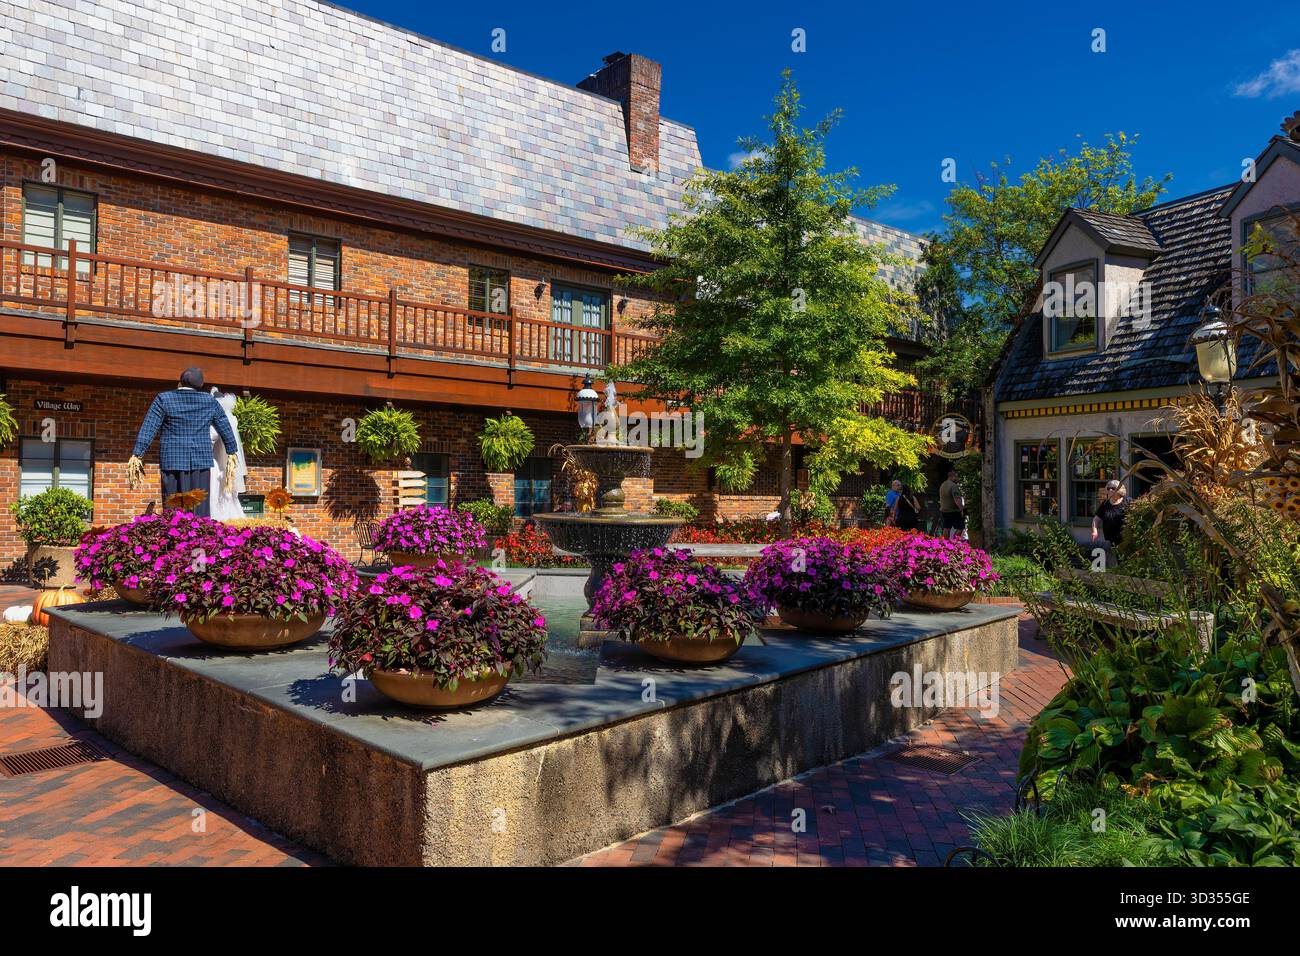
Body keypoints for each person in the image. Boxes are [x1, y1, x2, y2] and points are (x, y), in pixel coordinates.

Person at [129, 367, 240, 518]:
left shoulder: (163, 399)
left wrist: (138, 454)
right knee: (199, 508)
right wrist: (231, 451)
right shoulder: (209, 401)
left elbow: (149, 426)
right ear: (200, 384)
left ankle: (174, 537)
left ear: (180, 382)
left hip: (172, 460)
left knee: (173, 508)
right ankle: (198, 537)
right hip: (200, 461)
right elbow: (224, 426)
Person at [208, 388, 248, 521]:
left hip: (216, 460)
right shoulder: (232, 418)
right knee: (228, 492)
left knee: (215, 488)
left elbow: (212, 436)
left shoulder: (215, 419)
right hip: (228, 462)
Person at [1092, 479, 1130, 565]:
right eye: (1108, 488)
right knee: (1118, 560)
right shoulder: (1105, 504)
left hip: (1125, 538)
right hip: (1111, 539)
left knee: (1127, 560)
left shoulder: (1128, 501)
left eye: (1113, 488)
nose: (1110, 490)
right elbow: (1096, 519)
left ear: (1119, 490)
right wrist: (1095, 531)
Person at [938, 468, 965, 540]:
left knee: (946, 527)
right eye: (957, 476)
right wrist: (962, 509)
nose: (957, 478)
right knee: (960, 527)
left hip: (944, 510)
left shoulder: (942, 485)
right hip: (953, 510)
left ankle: (946, 543)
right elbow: (957, 500)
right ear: (953, 476)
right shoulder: (954, 486)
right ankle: (954, 542)